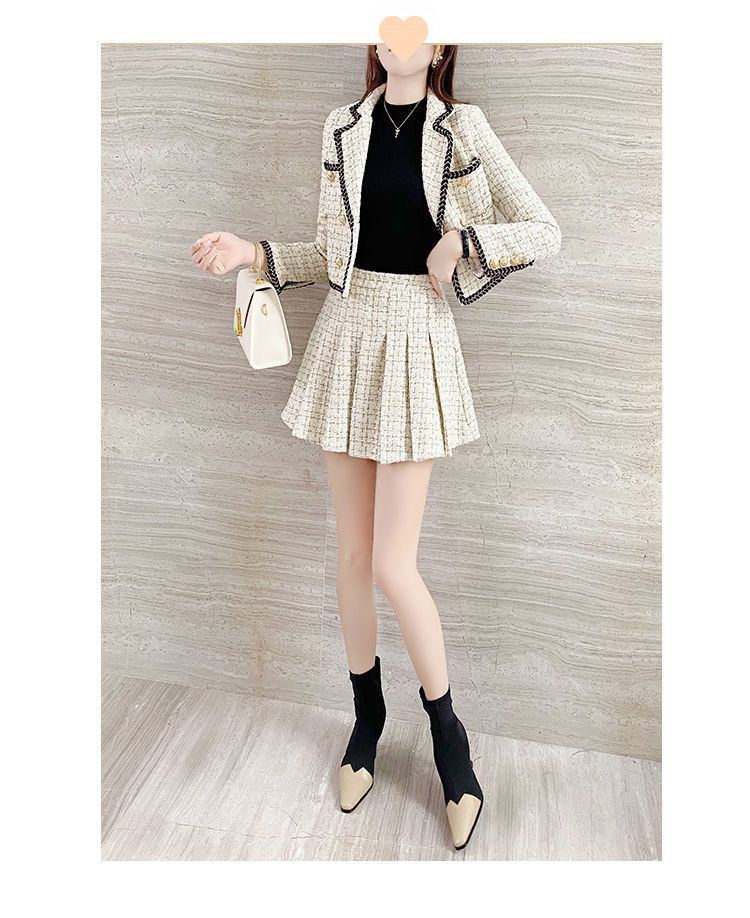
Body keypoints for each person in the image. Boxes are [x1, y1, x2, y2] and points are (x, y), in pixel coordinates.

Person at [190, 43, 561, 851]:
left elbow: (544, 230)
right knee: (353, 558)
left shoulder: (464, 129)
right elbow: (333, 256)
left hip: (418, 338)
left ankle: (450, 741)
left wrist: (463, 242)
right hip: (347, 337)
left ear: (440, 45)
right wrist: (251, 252)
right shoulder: (343, 126)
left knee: (395, 563)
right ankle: (368, 719)